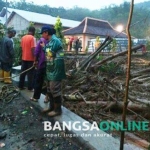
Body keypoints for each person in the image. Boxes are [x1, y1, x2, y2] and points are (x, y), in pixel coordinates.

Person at [40, 25, 66, 117]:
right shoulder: (50, 42)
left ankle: (58, 110)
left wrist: (44, 48)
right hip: (51, 68)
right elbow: (49, 52)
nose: (42, 36)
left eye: (42, 33)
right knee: (49, 89)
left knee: (55, 89)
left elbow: (50, 53)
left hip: (56, 69)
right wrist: (45, 47)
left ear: (46, 32)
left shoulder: (56, 41)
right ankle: (52, 107)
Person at [30, 37, 48, 102]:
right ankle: (47, 97)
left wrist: (35, 61)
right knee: (49, 81)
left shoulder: (41, 41)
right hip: (50, 65)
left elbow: (36, 52)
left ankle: (36, 97)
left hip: (42, 64)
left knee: (39, 81)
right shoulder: (53, 41)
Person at [18, 26, 36, 91]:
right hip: (30, 59)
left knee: (22, 73)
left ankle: (20, 86)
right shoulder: (33, 38)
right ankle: (30, 88)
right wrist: (35, 58)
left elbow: (21, 48)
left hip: (24, 58)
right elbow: (33, 49)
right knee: (30, 74)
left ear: (28, 31)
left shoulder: (23, 38)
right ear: (33, 31)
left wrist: (20, 57)